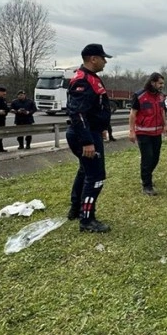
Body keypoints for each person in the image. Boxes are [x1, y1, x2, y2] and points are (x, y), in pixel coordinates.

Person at [66, 43, 113, 233]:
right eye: (103, 58)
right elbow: (77, 113)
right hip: (84, 135)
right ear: (93, 58)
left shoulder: (93, 78)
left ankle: (76, 209)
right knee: (96, 177)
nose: (105, 62)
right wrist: (87, 141)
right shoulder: (83, 79)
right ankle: (87, 220)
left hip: (92, 131)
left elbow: (94, 108)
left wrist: (101, 127)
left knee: (85, 172)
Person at [129, 72, 167, 196]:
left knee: (155, 158)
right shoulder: (140, 95)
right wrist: (131, 131)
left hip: (157, 132)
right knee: (147, 158)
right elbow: (133, 114)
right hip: (143, 132)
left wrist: (165, 125)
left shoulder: (161, 96)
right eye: (160, 83)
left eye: (163, 83)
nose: (162, 85)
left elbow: (162, 111)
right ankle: (147, 185)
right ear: (153, 82)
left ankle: (147, 176)